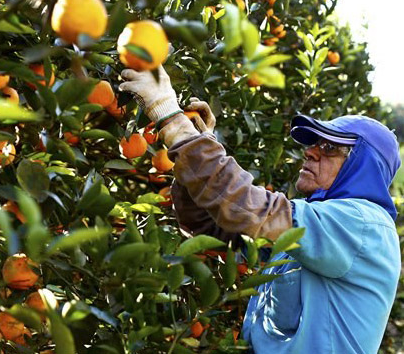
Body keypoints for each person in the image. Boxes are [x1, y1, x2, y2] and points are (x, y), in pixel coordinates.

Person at [119, 66, 401, 354]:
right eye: (313, 143)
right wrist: (195, 148)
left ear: (363, 166)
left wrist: (173, 120)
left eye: (329, 146)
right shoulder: (314, 225)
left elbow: (247, 206)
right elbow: (211, 226)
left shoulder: (362, 225)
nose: (310, 151)